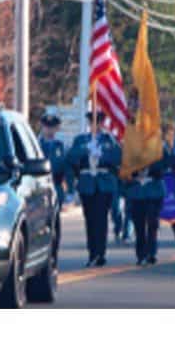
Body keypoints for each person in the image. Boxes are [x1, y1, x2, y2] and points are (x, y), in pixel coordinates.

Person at [66, 110, 122, 267]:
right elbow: (71, 158)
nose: (95, 125)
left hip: (103, 184)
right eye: (92, 122)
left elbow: (117, 157)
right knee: (90, 220)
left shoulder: (109, 140)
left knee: (101, 219)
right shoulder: (81, 140)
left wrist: (101, 154)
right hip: (87, 184)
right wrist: (87, 150)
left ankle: (100, 253)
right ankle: (92, 252)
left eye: (98, 122)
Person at [124, 150, 167, 265]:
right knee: (139, 225)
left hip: (153, 190)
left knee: (153, 223)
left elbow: (164, 165)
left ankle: (151, 252)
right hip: (136, 190)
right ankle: (141, 253)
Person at [38, 113, 71, 210]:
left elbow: (67, 168)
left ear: (57, 128)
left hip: (57, 184)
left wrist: (69, 189)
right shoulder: (36, 144)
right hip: (40, 185)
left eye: (52, 127)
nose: (49, 130)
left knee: (56, 215)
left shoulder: (61, 145)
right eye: (46, 127)